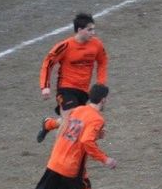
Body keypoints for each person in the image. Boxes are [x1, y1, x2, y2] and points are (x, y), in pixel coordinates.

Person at [13, 84, 117, 189]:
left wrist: (96, 135)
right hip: (72, 168)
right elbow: (86, 141)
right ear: (103, 100)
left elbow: (72, 133)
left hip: (55, 161)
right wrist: (105, 159)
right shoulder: (97, 119)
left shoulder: (77, 110)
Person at [36, 12, 109, 143]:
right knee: (69, 122)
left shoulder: (96, 45)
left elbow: (102, 62)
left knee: (76, 122)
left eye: (93, 29)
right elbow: (48, 63)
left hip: (83, 91)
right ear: (79, 30)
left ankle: (48, 124)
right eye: (89, 30)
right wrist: (45, 86)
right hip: (66, 88)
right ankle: (57, 154)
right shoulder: (65, 46)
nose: (93, 33)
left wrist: (100, 84)